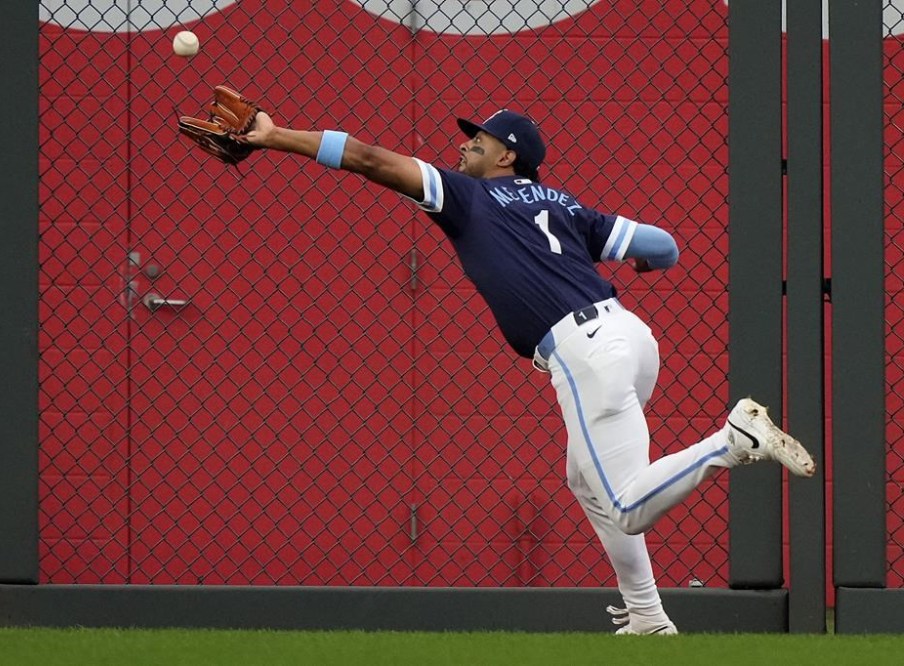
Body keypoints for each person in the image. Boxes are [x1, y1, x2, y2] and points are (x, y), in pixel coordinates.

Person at [230, 106, 816, 635]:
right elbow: (665, 247)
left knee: (627, 508)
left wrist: (274, 135)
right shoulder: (566, 206)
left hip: (584, 351)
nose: (464, 148)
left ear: (507, 155)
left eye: (478, 141)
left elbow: (366, 158)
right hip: (632, 339)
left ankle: (732, 440)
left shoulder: (468, 196)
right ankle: (647, 616)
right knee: (588, 482)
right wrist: (634, 260)